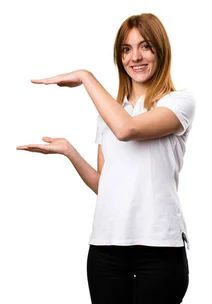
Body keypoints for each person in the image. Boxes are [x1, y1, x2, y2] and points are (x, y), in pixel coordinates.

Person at [17, 13, 194, 304]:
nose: (135, 57)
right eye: (126, 49)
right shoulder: (109, 112)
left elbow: (127, 129)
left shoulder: (179, 103)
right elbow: (105, 184)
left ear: (161, 51)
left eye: (145, 46)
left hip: (159, 248)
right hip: (105, 250)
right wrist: (70, 152)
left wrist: (86, 77)